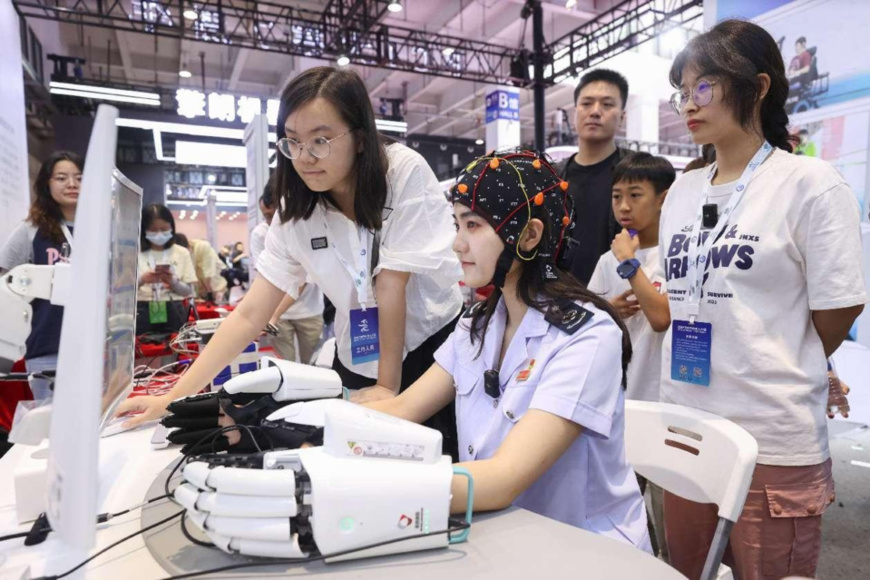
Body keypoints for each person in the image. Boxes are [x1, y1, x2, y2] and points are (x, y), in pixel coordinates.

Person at [117, 66, 464, 457]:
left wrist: (387, 387)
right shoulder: (295, 210)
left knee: (432, 466)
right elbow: (251, 313)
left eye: (320, 140)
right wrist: (174, 398)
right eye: (293, 142)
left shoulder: (401, 171)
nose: (304, 158)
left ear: (361, 138)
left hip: (429, 347)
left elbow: (391, 284)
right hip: (361, 356)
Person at [662, 19, 866, 579]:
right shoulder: (682, 191)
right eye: (682, 90)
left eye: (703, 86)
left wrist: (783, 355)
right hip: (685, 429)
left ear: (758, 85)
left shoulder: (810, 184)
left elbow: (839, 307)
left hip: (770, 437)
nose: (688, 103)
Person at [366, 149, 649, 550]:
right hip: (501, 536)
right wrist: (315, 426)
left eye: (474, 225)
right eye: (457, 224)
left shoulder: (587, 336)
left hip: (584, 552)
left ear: (529, 235)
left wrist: (363, 485)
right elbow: (401, 409)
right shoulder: (478, 323)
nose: (458, 244)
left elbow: (503, 477)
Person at [587, 152, 675, 558]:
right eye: (617, 196)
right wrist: (611, 311)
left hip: (669, 408)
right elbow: (589, 326)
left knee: (672, 516)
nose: (623, 206)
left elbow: (660, 317)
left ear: (663, 198)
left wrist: (629, 262)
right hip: (623, 406)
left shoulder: (677, 255)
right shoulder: (608, 261)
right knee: (625, 517)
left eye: (635, 195)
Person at [0, 151, 83, 400]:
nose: (71, 184)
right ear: (47, 184)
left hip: (93, 347)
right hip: (47, 344)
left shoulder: (101, 231)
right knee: (49, 429)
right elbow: (6, 283)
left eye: (79, 177)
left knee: (96, 428)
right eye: (61, 177)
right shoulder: (30, 231)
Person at [554, 69, 631, 286]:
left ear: (622, 117)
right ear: (576, 111)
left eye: (607, 104)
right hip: (559, 304)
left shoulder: (637, 175)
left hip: (619, 305)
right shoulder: (552, 178)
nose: (595, 112)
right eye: (587, 103)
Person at [250, 178, 324, 364]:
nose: (269, 221)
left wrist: (274, 314)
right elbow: (268, 278)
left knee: (314, 366)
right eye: (265, 215)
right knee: (285, 366)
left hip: (309, 310)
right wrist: (270, 315)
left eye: (272, 214)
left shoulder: (306, 227)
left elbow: (302, 279)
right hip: (279, 314)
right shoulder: (260, 234)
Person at [136, 204, 197, 335]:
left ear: (172, 228)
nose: (159, 234)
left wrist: (172, 282)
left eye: (164, 229)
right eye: (153, 230)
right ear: (144, 229)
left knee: (174, 348)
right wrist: (142, 279)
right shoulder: (135, 253)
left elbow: (189, 291)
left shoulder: (181, 253)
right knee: (144, 350)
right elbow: (122, 291)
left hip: (174, 307)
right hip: (142, 308)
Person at [175, 233, 229, 303]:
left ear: (187, 246)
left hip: (219, 291)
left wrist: (209, 294)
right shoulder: (182, 254)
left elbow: (208, 272)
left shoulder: (203, 246)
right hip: (203, 294)